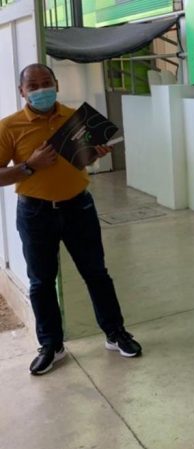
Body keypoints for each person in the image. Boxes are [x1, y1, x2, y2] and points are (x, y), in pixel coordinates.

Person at [0, 64, 142, 375]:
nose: (41, 89)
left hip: (79, 208)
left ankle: (115, 333)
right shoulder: (9, 127)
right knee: (41, 282)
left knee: (96, 273)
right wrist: (29, 165)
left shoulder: (75, 118)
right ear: (22, 91)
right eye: (33, 85)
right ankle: (52, 345)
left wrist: (94, 154)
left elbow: (79, 159)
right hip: (35, 212)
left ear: (57, 84)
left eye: (46, 82)